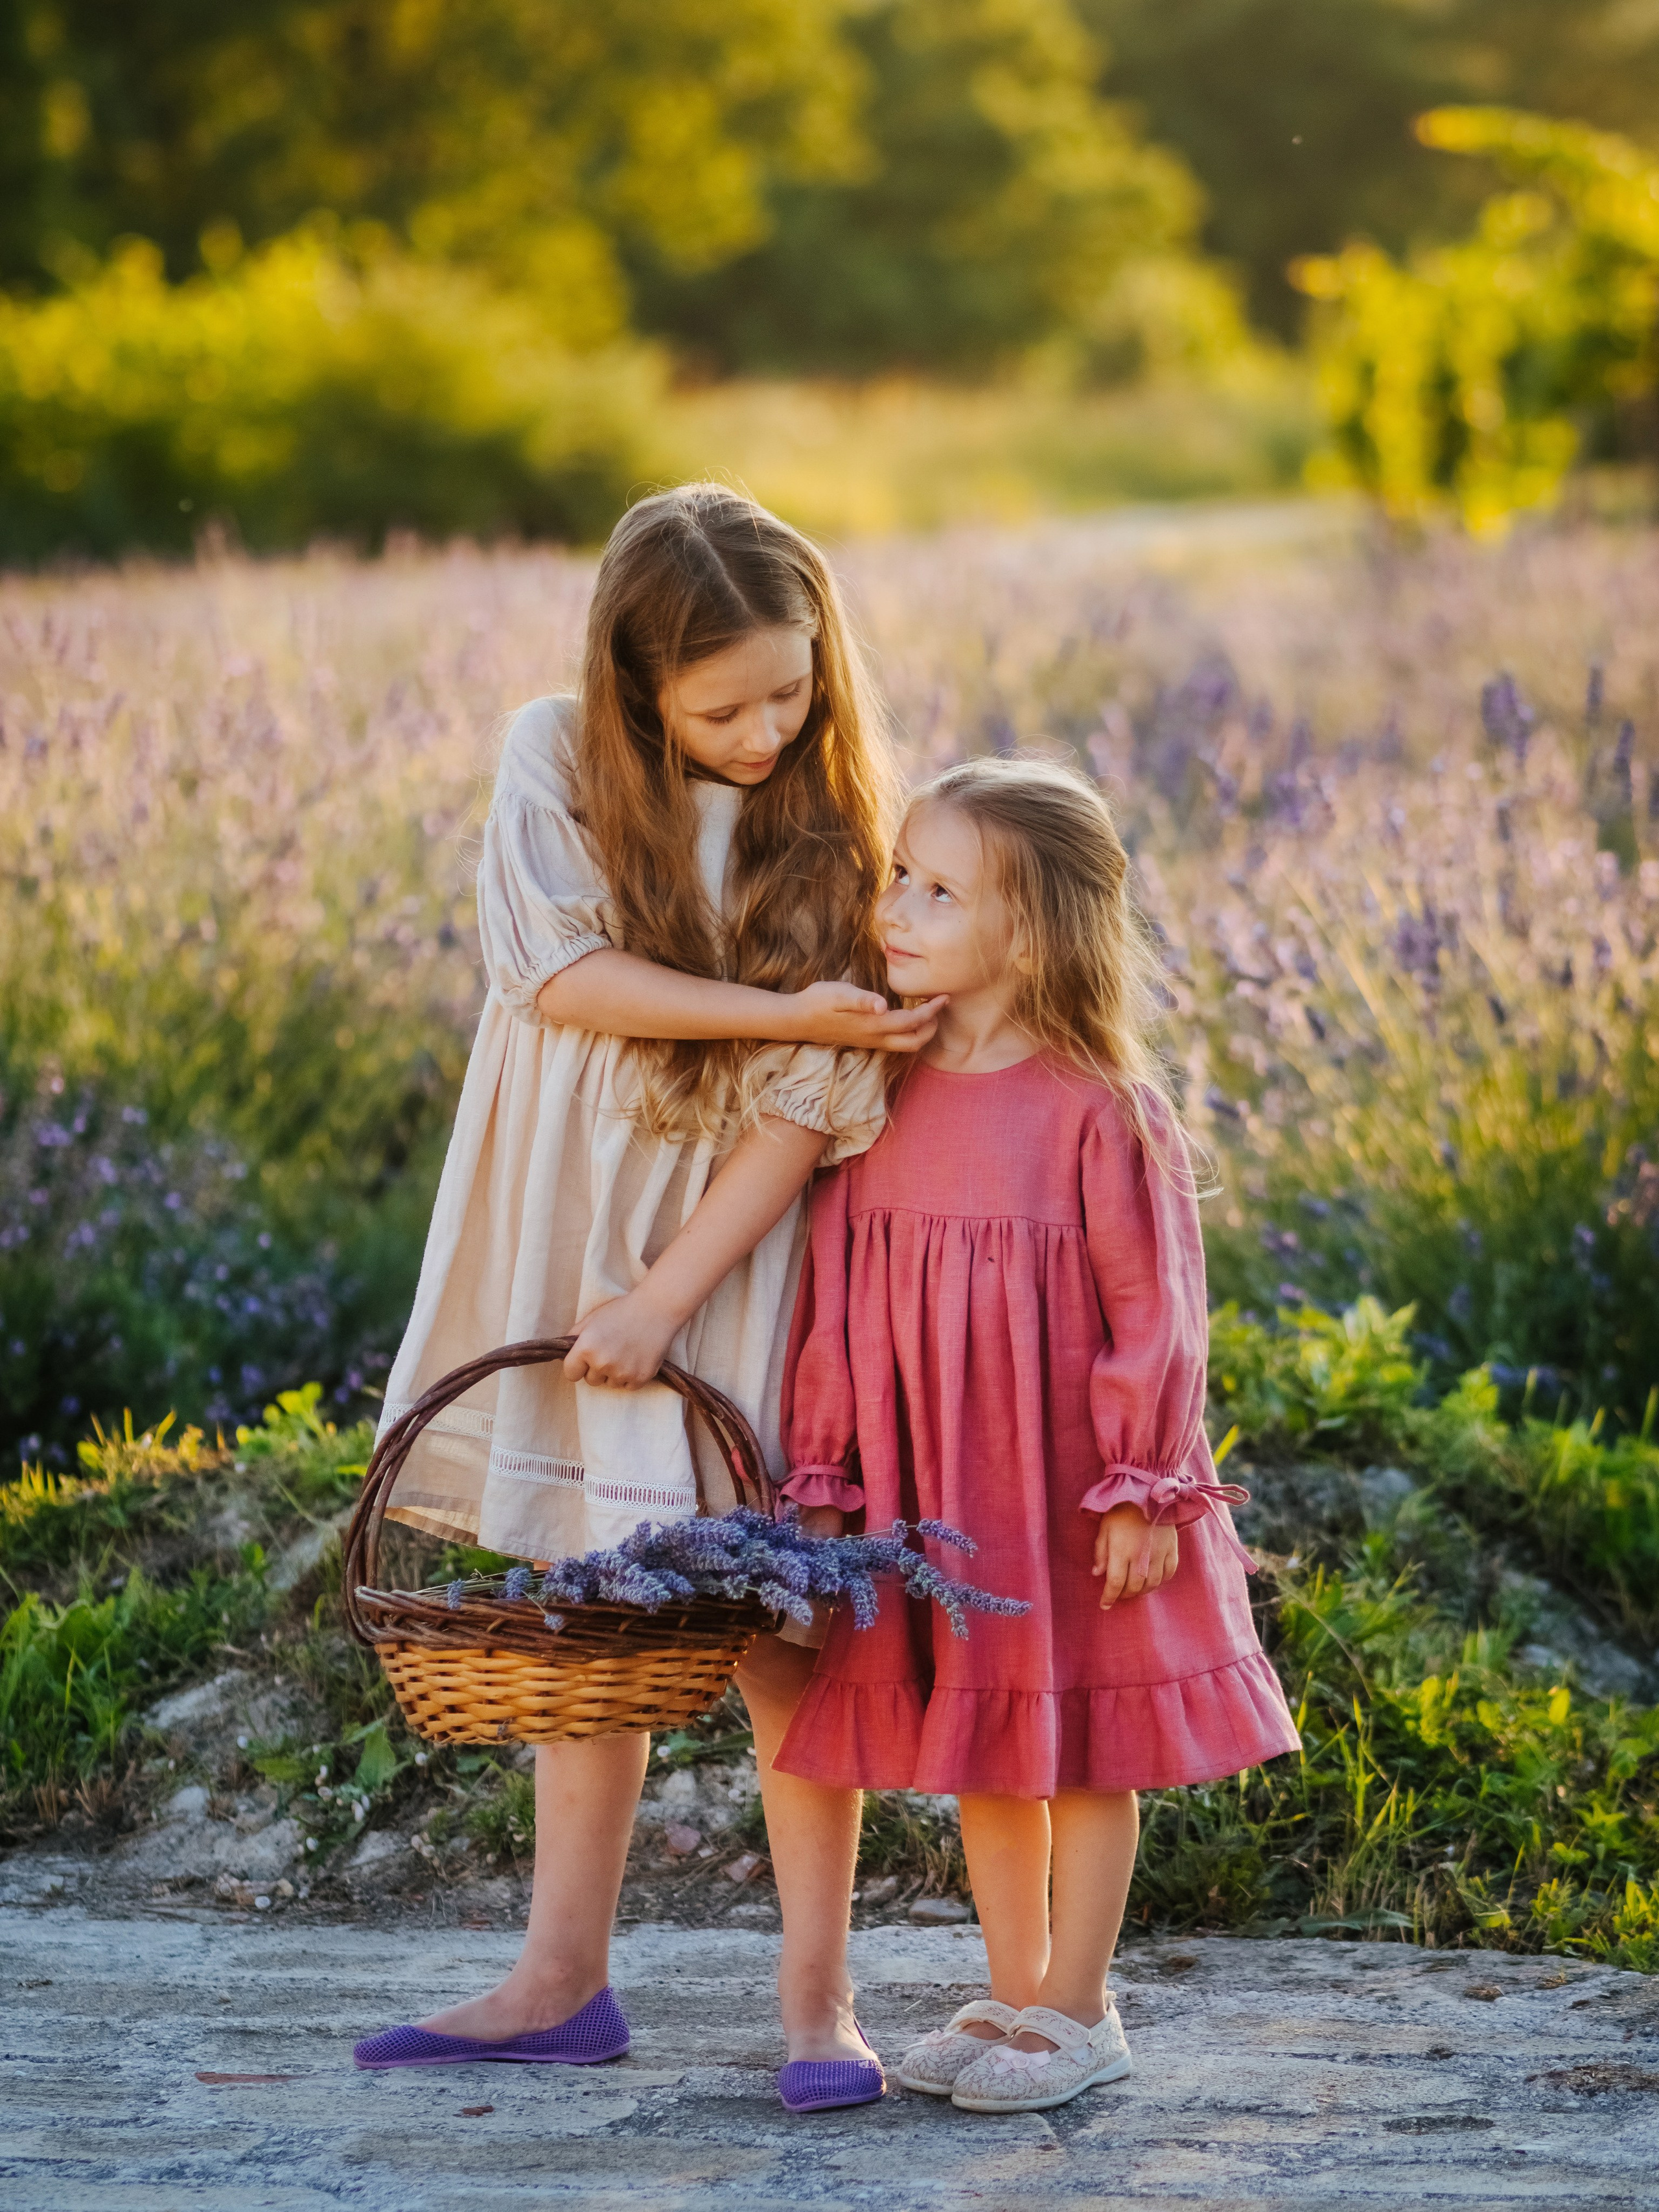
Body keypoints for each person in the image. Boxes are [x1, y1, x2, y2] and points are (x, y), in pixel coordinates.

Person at [351, 484, 943, 2100]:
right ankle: (560, 1980)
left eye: (793, 684)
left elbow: (807, 1118)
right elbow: (557, 975)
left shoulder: (827, 816)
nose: (768, 727)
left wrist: (670, 1297)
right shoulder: (550, 753)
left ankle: (818, 1999)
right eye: (724, 703)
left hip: (720, 1253)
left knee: (770, 1617)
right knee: (593, 1597)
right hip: (562, 1219)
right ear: (633, 685)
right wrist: (783, 1018)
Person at [771, 754, 1301, 2115]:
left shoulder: (1095, 1104)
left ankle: (1080, 2008)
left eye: (940, 891)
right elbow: (833, 1298)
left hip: (1062, 1485)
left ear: (1031, 928)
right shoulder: (874, 1086)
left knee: (1084, 1748)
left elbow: (1156, 1310)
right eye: (901, 874)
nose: (895, 907)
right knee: (988, 1742)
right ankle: (1015, 1995)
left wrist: (1139, 1488)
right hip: (938, 1488)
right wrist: (826, 1468)